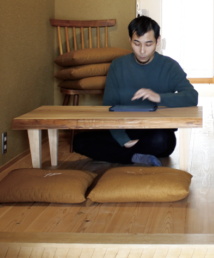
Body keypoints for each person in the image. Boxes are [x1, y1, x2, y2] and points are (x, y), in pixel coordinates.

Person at [73, 16, 198, 165]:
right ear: (130, 40)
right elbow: (108, 107)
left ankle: (125, 155)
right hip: (124, 128)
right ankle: (135, 156)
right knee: (79, 141)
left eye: (148, 44)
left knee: (163, 140)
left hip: (157, 131)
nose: (142, 51)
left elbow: (192, 96)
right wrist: (123, 140)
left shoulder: (170, 66)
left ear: (158, 41)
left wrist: (159, 97)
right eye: (137, 43)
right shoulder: (117, 65)